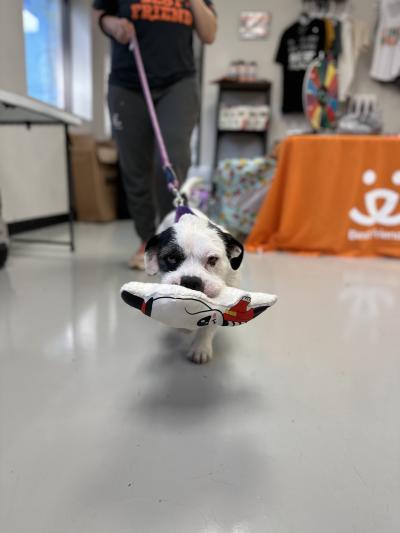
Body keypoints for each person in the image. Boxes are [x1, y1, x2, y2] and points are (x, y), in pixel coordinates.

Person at [92, 0, 217, 269]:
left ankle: (171, 236)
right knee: (134, 165)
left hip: (178, 82)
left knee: (172, 159)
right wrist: (112, 24)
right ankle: (147, 239)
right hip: (129, 82)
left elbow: (209, 34)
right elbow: (100, 14)